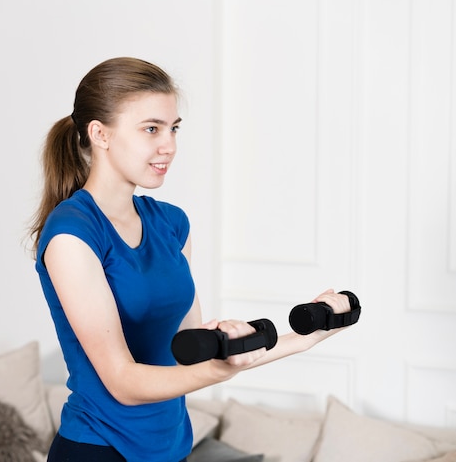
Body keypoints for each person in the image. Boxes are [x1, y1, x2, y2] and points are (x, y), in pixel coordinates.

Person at [29, 57, 350, 462]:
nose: (170, 146)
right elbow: (123, 382)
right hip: (99, 449)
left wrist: (307, 337)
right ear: (100, 134)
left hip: (172, 445)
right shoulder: (73, 233)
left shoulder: (171, 224)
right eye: (151, 129)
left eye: (173, 128)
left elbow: (189, 350)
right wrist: (221, 369)